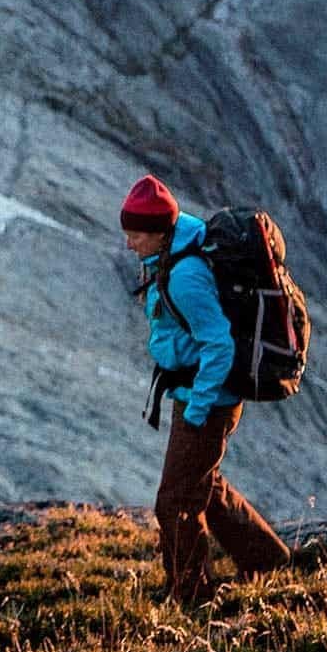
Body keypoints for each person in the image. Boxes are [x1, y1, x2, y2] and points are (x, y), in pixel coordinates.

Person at [121, 174, 290, 603]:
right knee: (204, 484)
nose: (128, 244)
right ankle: (268, 559)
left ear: (159, 232)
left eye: (135, 234)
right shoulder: (172, 248)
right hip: (195, 393)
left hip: (207, 400)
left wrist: (197, 408)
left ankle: (192, 595)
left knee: (174, 501)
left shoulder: (185, 275)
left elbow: (218, 343)